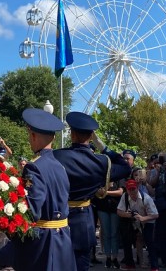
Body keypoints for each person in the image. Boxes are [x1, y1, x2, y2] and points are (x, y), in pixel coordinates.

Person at [0, 108, 74, 271]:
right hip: (63, 240)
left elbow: (32, 212)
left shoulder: (34, 167)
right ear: (53, 138)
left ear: (33, 135)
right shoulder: (60, 166)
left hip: (43, 245)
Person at [53, 111, 131, 271]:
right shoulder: (101, 161)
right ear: (91, 136)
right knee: (81, 264)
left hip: (59, 217)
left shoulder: (58, 156)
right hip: (83, 220)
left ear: (72, 134)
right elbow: (125, 167)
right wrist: (101, 145)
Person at [118, 178, 159, 271]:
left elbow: (156, 215)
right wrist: (129, 215)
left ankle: (154, 266)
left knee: (149, 242)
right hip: (134, 221)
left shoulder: (147, 198)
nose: (132, 191)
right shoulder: (124, 196)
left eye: (134, 189)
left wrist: (143, 218)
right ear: (127, 189)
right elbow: (119, 211)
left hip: (148, 220)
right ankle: (131, 263)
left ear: (137, 188)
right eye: (130, 189)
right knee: (129, 239)